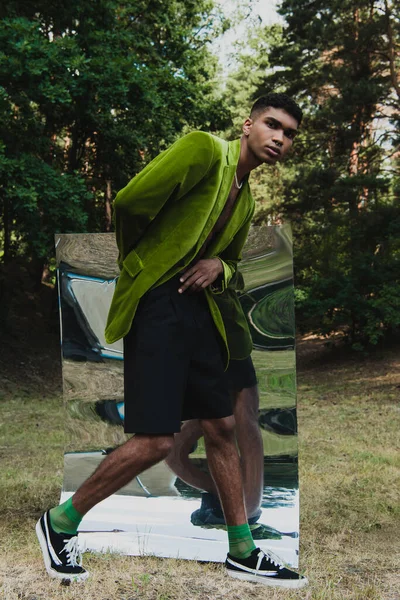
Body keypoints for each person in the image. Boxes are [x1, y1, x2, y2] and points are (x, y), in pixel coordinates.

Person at [36, 93, 307, 589]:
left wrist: (218, 265)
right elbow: (130, 203)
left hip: (200, 314)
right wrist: (145, 262)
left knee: (221, 426)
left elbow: (232, 264)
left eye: (289, 134)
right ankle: (59, 524)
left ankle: (242, 550)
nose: (280, 139)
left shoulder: (244, 200)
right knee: (157, 440)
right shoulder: (204, 150)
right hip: (160, 304)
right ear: (248, 124)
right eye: (273, 125)